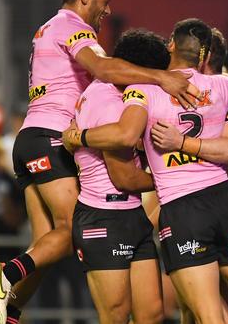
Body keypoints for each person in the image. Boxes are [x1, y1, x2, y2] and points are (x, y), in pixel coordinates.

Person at [0, 0, 201, 324]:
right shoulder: (73, 27)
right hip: (53, 138)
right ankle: (6, 275)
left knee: (46, 244)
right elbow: (103, 68)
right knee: (68, 233)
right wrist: (161, 77)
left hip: (31, 140)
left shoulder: (48, 28)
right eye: (104, 1)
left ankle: (9, 312)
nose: (108, 10)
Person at [63, 18, 228, 324]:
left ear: (171, 46)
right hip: (227, 201)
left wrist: (79, 137)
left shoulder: (143, 90)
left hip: (183, 210)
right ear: (205, 57)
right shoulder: (223, 86)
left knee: (206, 315)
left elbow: (126, 134)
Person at [72, 29, 171, 323]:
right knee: (115, 316)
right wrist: (169, 178)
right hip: (102, 217)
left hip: (131, 214)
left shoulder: (116, 93)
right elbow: (125, 178)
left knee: (151, 313)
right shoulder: (111, 103)